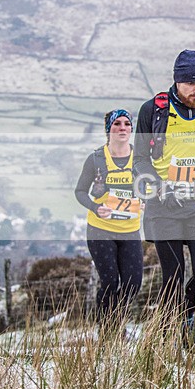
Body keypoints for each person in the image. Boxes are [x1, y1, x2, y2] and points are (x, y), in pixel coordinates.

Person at [132, 50, 195, 345]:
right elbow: (139, 159)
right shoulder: (154, 111)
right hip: (164, 207)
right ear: (177, 82)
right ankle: (168, 336)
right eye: (191, 83)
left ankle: (185, 316)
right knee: (173, 276)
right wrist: (161, 187)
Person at [74, 109, 143, 333]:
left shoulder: (140, 159)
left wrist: (146, 201)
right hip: (100, 229)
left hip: (130, 230)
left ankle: (116, 322)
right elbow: (80, 192)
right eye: (117, 124)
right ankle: (109, 331)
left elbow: (151, 187)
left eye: (126, 124)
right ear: (109, 129)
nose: (122, 128)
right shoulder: (96, 159)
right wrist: (96, 207)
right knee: (110, 282)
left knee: (132, 284)